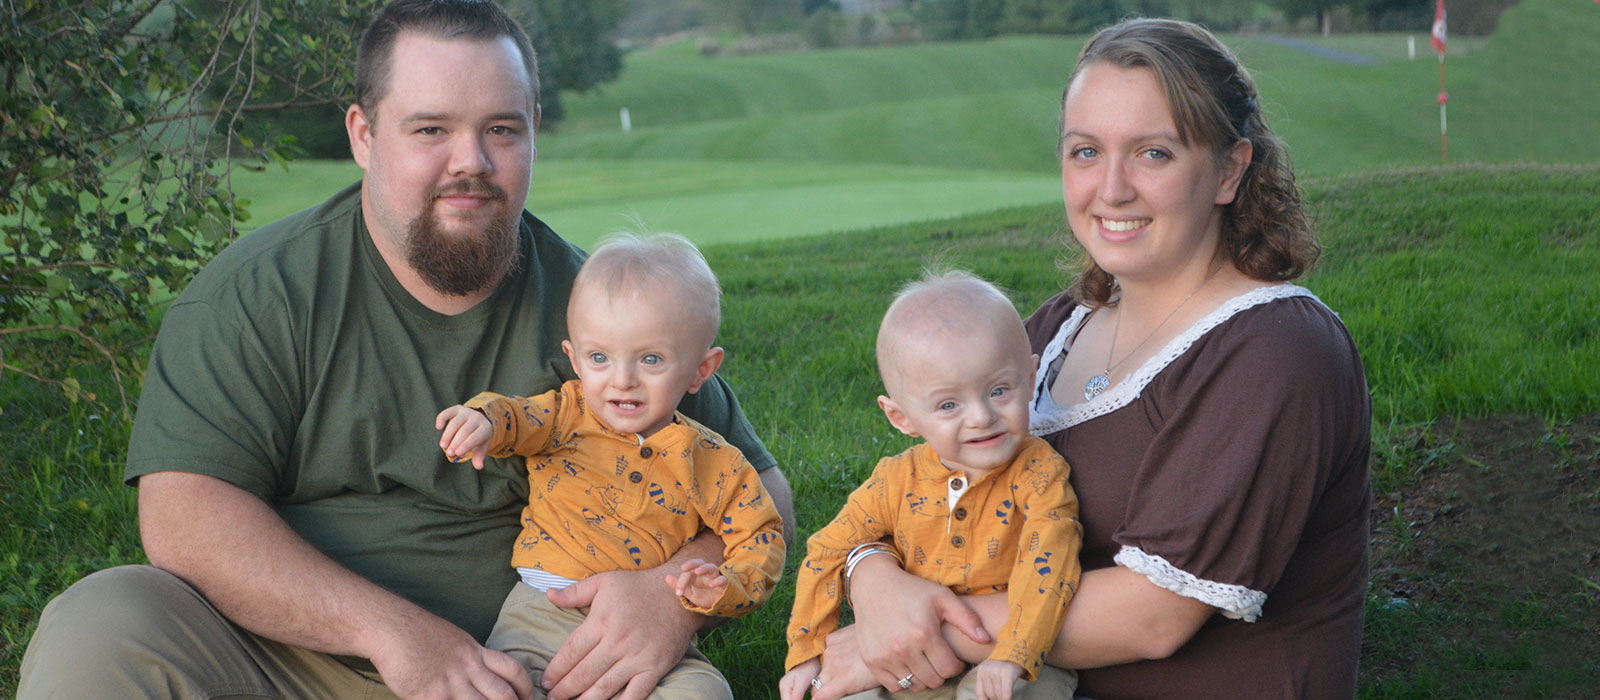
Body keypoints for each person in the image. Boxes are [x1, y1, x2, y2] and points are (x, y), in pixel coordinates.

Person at [16, 2, 793, 699]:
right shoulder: (257, 296)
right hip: (286, 661)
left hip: (534, 664)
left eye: (501, 129)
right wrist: (394, 635)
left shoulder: (607, 311)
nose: (471, 163)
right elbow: (185, 517)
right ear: (363, 134)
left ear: (532, 130)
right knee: (103, 620)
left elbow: (763, 493)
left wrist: (667, 595)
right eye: (431, 129)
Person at [812, 18, 1371, 700]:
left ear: (1229, 170)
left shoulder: (1277, 349)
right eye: (1085, 152)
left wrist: (916, 632)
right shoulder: (1058, 327)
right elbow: (927, 488)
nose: (1111, 189)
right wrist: (872, 573)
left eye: (1153, 154)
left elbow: (1154, 616)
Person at [434, 233, 785, 698]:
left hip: (652, 627)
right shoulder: (565, 415)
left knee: (704, 692)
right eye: (600, 357)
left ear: (702, 370)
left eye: (651, 359)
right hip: (539, 614)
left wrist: (725, 586)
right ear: (574, 359)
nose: (623, 380)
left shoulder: (714, 462)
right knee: (506, 688)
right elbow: (517, 417)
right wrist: (482, 420)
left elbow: (761, 534)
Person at [781, 271, 1082, 700]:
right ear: (901, 418)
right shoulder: (895, 480)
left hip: (1014, 654)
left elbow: (1049, 561)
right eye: (948, 404)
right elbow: (827, 550)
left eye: (999, 390)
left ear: (1031, 379)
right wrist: (806, 650)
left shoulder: (1037, 474)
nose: (980, 416)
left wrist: (1015, 652)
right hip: (912, 657)